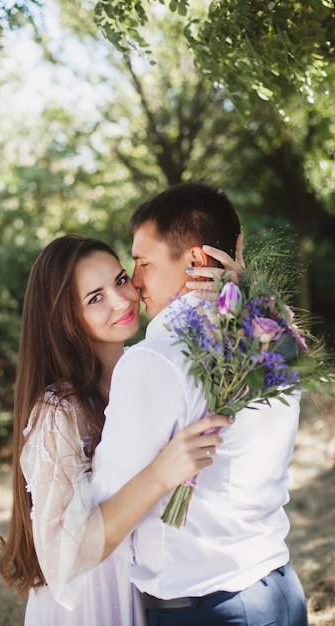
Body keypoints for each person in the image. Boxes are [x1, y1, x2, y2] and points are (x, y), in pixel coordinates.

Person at [91, 182, 308, 626]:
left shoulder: (154, 360)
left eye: (143, 263)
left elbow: (106, 510)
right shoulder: (272, 333)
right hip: (279, 589)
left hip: (210, 607)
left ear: (194, 260)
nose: (134, 282)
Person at [0, 234, 233, 626]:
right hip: (93, 602)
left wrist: (233, 293)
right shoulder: (59, 412)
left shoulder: (147, 370)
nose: (123, 300)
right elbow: (62, 556)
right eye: (95, 298)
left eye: (121, 280)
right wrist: (161, 474)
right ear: (66, 317)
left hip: (158, 585)